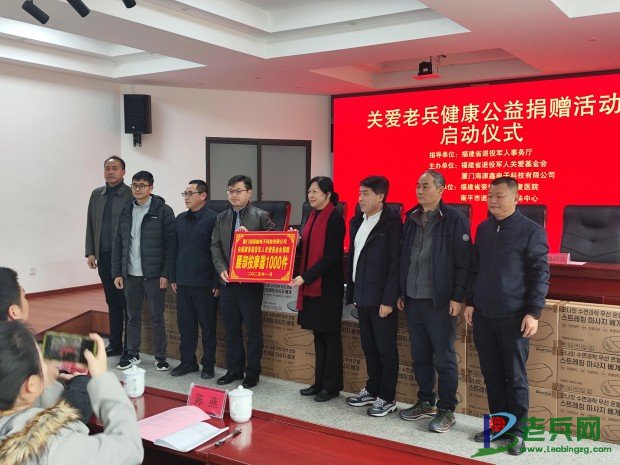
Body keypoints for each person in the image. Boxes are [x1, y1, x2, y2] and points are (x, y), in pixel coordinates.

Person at [464, 177, 550, 455]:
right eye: (489, 196)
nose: (492, 201)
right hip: (484, 315)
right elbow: (475, 268)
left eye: (499, 196)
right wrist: (470, 302)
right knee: (491, 375)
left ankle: (519, 433)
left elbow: (540, 274)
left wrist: (533, 312)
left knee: (515, 377)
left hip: (514, 316)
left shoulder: (531, 231)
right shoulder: (484, 228)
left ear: (516, 198)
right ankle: (499, 427)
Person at [0, 320, 144, 465]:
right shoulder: (53, 446)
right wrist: (102, 377)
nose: (48, 361)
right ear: (31, 385)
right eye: (41, 358)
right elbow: (129, 449)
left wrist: (50, 381)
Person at [397, 170, 471, 432]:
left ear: (441, 189)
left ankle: (447, 409)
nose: (419, 190)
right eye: (417, 185)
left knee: (444, 357)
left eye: (426, 186)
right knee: (420, 355)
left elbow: (464, 262)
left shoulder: (455, 219)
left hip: (439, 301)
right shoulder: (410, 218)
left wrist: (458, 296)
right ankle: (426, 401)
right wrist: (401, 292)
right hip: (413, 298)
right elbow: (404, 258)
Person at [0, 266, 92, 423]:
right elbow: (68, 416)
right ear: (14, 311)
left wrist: (57, 376)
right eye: (24, 296)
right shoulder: (24, 358)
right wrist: (80, 381)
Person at [211, 175, 275, 388]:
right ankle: (234, 369)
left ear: (249, 193)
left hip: (250, 283)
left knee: (253, 330)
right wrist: (221, 268)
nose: (234, 195)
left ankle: (252, 372)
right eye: (230, 191)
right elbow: (215, 246)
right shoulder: (221, 217)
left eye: (238, 191)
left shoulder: (261, 216)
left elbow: (274, 243)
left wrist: (252, 237)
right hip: (228, 281)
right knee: (231, 329)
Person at [345, 176, 401, 416]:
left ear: (380, 196)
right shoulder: (358, 220)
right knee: (369, 347)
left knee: (386, 349)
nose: (360, 198)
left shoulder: (392, 224)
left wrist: (388, 300)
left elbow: (395, 265)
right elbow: (355, 258)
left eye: (365, 193)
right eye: (359, 193)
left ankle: (387, 397)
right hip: (362, 294)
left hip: (381, 300)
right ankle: (372, 389)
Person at [112, 170, 176, 371]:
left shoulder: (163, 211)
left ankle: (160, 356)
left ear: (151, 188)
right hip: (130, 274)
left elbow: (171, 246)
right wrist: (117, 273)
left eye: (142, 186)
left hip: (154, 275)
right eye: (134, 185)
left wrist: (165, 273)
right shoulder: (126, 210)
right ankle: (132, 354)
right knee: (132, 316)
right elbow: (118, 243)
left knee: (157, 316)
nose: (137, 189)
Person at [291, 176, 345, 402]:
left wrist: (305, 276)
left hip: (327, 288)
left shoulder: (335, 218)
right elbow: (307, 246)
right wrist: (295, 242)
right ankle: (319, 383)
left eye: (315, 191)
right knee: (318, 336)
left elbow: (332, 257)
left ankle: (331, 387)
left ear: (328, 194)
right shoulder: (312, 216)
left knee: (330, 338)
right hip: (313, 286)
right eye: (309, 191)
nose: (310, 195)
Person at [170, 180, 220, 379]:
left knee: (207, 327)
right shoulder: (180, 219)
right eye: (185, 193)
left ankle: (208, 365)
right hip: (183, 282)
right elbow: (173, 249)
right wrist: (173, 276)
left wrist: (216, 281)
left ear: (203, 195)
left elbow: (218, 252)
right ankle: (188, 362)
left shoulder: (214, 219)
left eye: (190, 193)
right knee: (186, 325)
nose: (187, 197)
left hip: (205, 283)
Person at [85, 156, 133, 356]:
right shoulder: (97, 194)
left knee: (126, 303)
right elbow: (90, 223)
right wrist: (90, 251)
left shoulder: (130, 194)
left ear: (123, 172)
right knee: (112, 302)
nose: (111, 172)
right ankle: (115, 344)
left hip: (124, 257)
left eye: (115, 168)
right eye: (107, 168)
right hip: (103, 256)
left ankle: (130, 346)